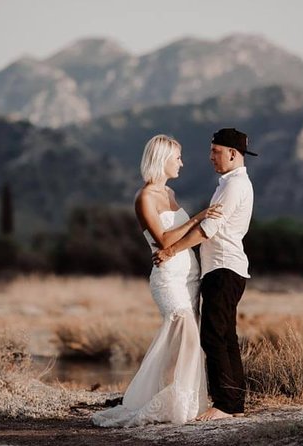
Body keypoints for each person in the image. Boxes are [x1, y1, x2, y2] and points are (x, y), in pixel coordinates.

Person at [91, 134, 221, 427]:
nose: (182, 163)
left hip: (189, 275)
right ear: (162, 160)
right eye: (177, 158)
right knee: (184, 333)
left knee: (187, 343)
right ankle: (170, 401)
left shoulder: (170, 195)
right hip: (168, 278)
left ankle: (181, 400)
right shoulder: (145, 197)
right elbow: (163, 240)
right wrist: (196, 219)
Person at [153, 128, 256, 421]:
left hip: (224, 268)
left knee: (213, 336)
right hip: (226, 268)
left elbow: (206, 230)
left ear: (232, 154)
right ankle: (234, 402)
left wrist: (170, 251)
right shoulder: (230, 183)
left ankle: (225, 404)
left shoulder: (233, 186)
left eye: (215, 151)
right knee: (226, 336)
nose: (210, 157)